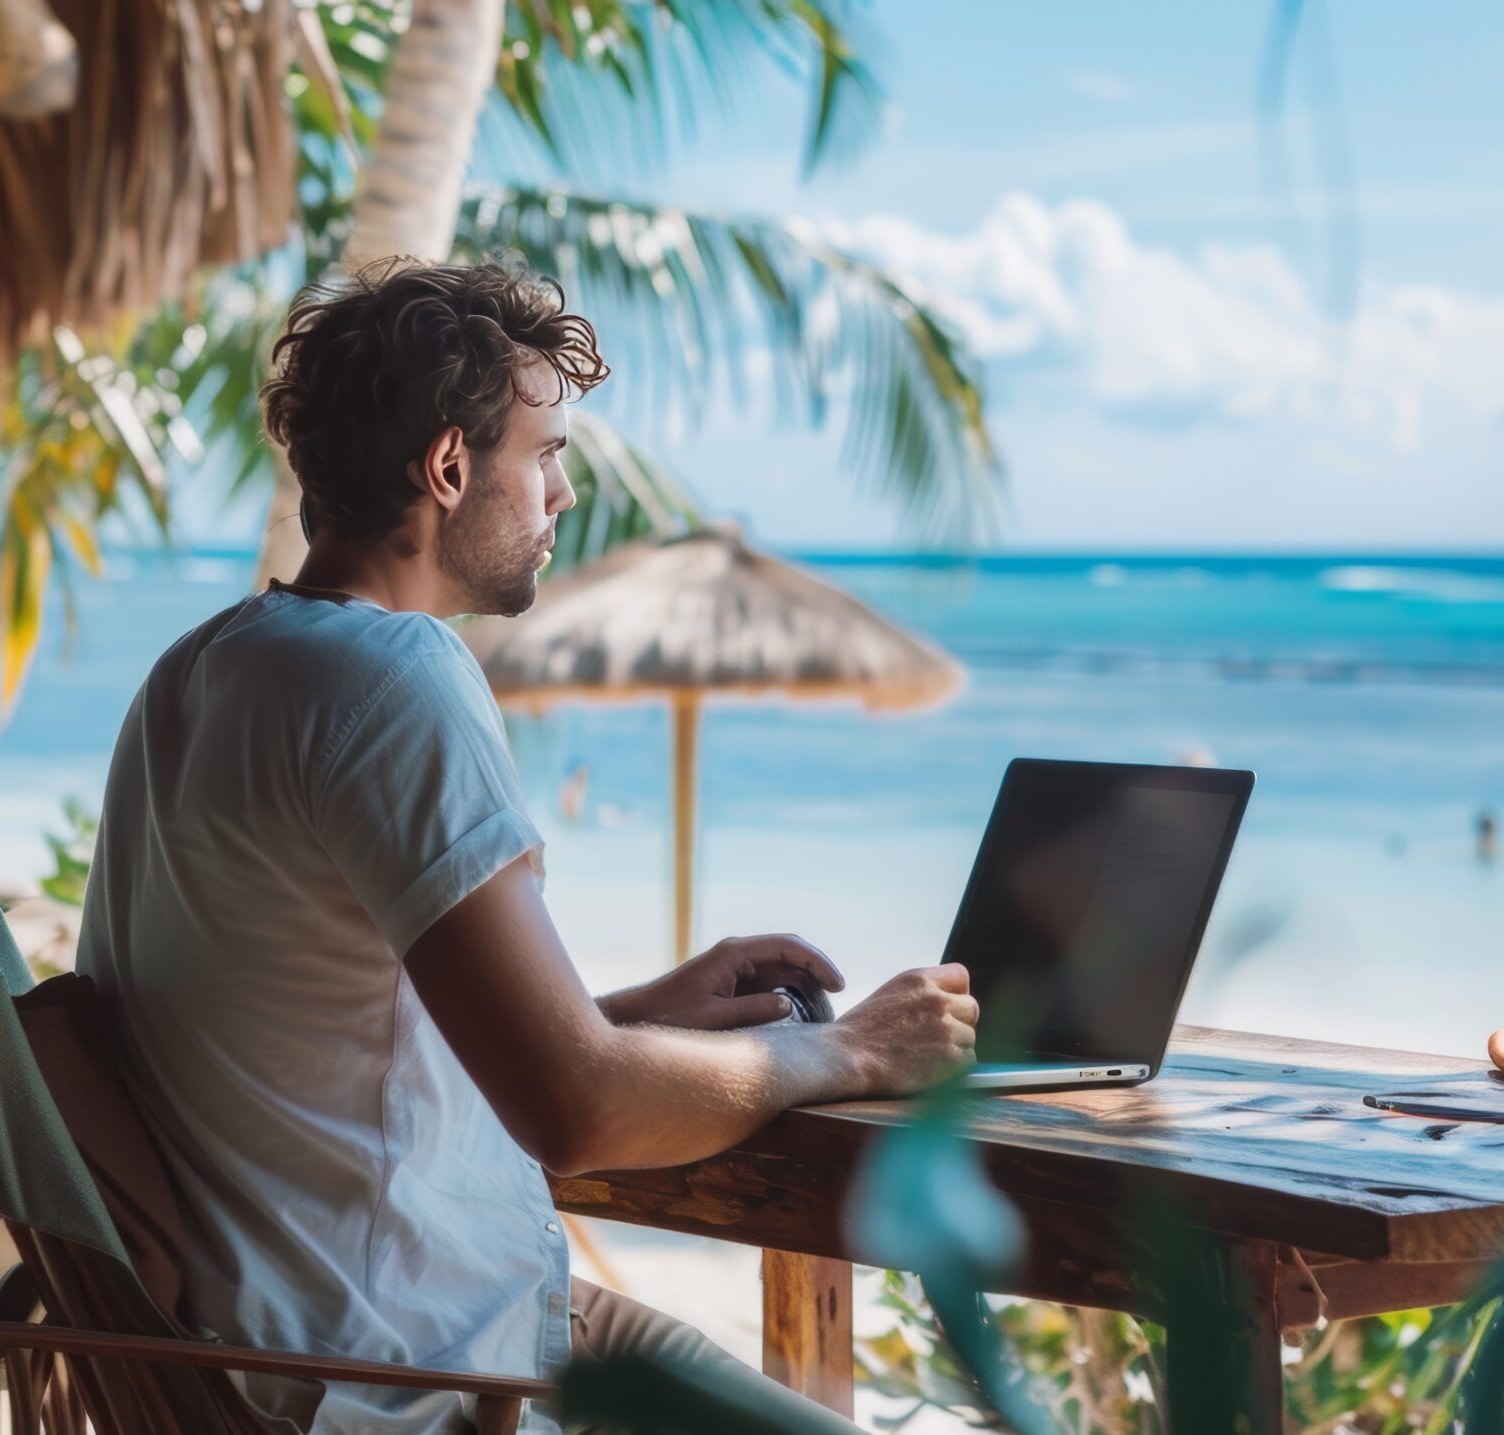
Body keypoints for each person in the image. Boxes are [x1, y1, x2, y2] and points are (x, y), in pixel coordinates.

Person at [76, 258, 978, 1435]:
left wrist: (628, 1010)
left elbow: (328, 1042)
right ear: (451, 467)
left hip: (302, 1344)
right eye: (545, 454)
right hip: (413, 1377)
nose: (561, 496)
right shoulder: (394, 676)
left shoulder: (204, 669)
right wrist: (853, 1053)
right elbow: (579, 1113)